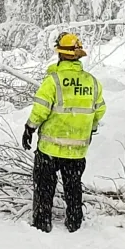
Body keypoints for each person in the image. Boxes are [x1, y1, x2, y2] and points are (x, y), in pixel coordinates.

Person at [21, 32, 106, 232]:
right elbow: (99, 110)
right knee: (73, 186)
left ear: (60, 54)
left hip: (50, 149)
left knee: (44, 187)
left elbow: (40, 109)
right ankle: (74, 223)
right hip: (77, 150)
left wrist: (29, 128)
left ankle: (42, 223)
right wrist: (90, 129)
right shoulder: (92, 82)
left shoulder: (53, 81)